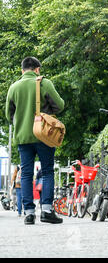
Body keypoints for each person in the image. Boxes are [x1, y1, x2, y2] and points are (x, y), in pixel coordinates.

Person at [5, 57, 65, 225]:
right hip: (43, 135)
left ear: (22, 70)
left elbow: (8, 115)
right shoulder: (44, 83)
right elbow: (59, 105)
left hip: (23, 137)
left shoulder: (13, 88)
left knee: (26, 173)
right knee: (46, 171)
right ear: (37, 69)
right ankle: (46, 210)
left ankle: (29, 213)